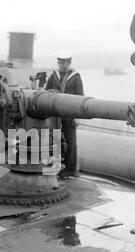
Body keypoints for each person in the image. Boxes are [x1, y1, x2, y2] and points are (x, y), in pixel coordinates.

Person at [45, 49, 84, 179]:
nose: (62, 65)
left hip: (70, 113)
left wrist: (78, 117)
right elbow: (46, 92)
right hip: (56, 113)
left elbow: (80, 97)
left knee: (70, 140)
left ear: (69, 62)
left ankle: (70, 168)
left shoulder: (76, 77)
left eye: (64, 62)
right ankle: (57, 165)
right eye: (60, 62)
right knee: (56, 138)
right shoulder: (54, 75)